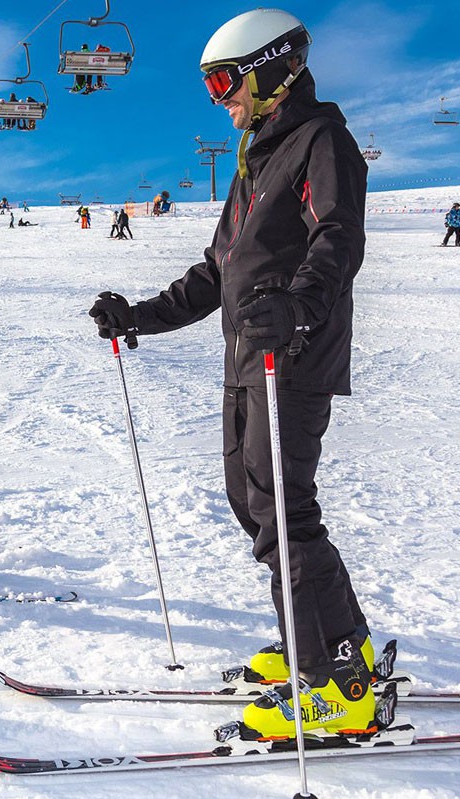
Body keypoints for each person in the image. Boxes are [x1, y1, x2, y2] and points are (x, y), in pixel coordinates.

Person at [89, 9, 374, 740]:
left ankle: (334, 689)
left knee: (283, 513)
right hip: (247, 360)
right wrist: (139, 316)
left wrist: (299, 310)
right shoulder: (256, 160)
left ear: (272, 67)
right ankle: (344, 648)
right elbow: (218, 271)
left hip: (291, 355)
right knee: (256, 506)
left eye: (224, 82)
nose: (219, 99)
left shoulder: (321, 140)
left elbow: (337, 238)